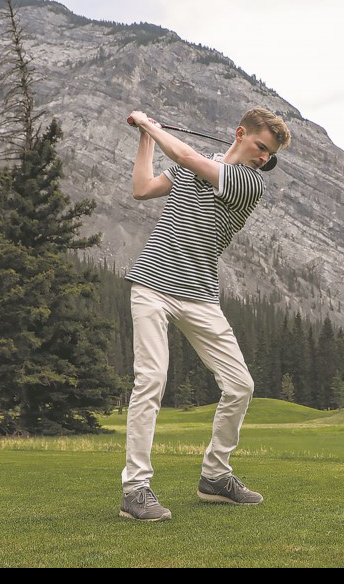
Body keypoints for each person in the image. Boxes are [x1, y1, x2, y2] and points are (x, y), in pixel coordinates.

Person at [119, 107, 291, 521]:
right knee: (151, 380)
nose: (264, 158)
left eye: (269, 154)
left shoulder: (248, 183)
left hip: (199, 295)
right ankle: (135, 488)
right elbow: (142, 188)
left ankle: (215, 475)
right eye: (260, 147)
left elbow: (186, 159)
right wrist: (145, 137)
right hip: (152, 285)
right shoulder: (204, 165)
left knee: (240, 386)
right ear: (241, 134)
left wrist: (150, 125)